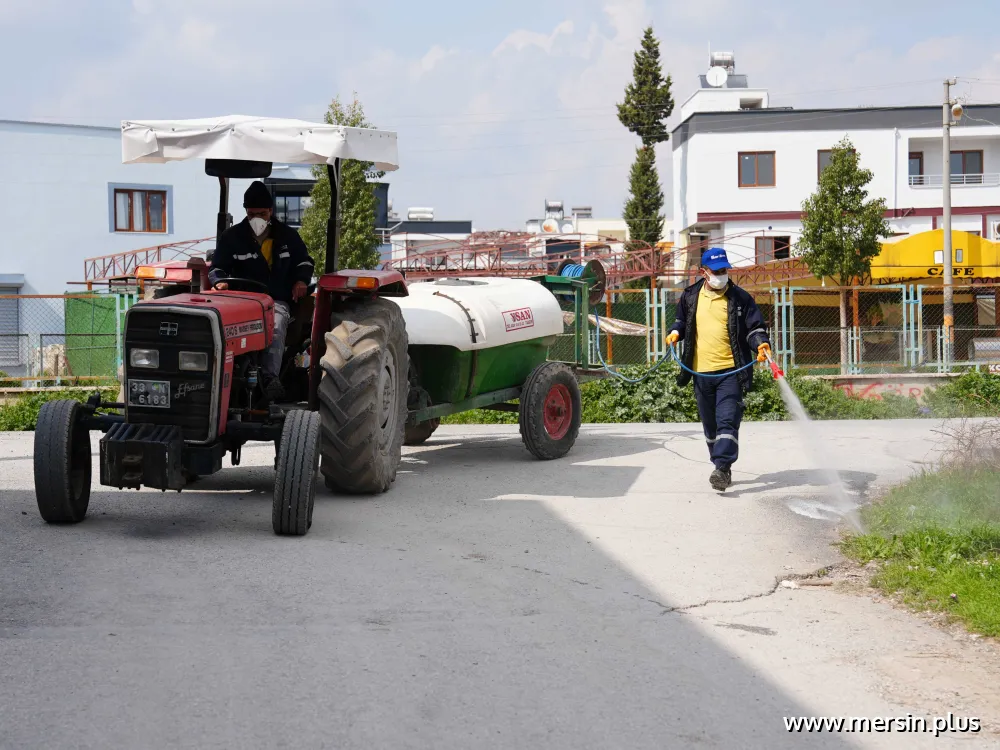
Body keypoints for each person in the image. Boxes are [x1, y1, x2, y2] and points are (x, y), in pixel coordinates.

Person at [666, 247, 772, 491]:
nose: (722, 274)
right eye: (716, 271)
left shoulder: (740, 298)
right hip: (700, 373)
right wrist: (674, 332)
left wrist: (760, 343)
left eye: (724, 270)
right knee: (710, 425)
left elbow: (755, 327)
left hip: (731, 372)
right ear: (703, 272)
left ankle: (722, 468)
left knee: (727, 420)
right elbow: (681, 320)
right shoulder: (690, 296)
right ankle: (719, 464)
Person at [209, 181, 314, 402]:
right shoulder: (232, 238)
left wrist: (301, 281)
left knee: (275, 322)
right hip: (241, 302)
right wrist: (219, 282)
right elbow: (217, 268)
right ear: (246, 212)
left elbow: (304, 262)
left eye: (262, 213)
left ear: (270, 212)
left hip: (276, 299)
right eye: (252, 213)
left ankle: (269, 377)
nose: (257, 218)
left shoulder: (287, 237)